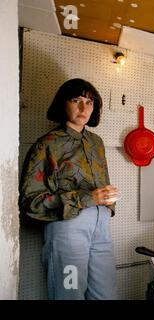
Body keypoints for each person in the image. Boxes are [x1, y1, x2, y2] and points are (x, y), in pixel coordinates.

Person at [20, 78, 118, 300]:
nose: (84, 108)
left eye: (90, 102)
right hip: (68, 227)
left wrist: (108, 201)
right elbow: (31, 202)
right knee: (69, 293)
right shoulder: (47, 144)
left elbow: (101, 184)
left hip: (100, 226)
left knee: (106, 294)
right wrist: (86, 198)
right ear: (63, 104)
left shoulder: (97, 142)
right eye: (76, 100)